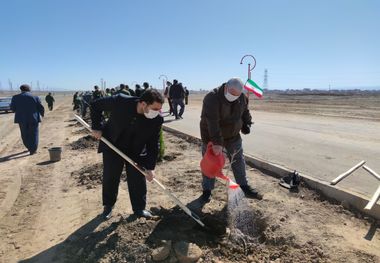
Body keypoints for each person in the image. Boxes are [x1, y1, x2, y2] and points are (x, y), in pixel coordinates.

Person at [90, 89, 164, 220]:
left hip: (136, 150)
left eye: (159, 109)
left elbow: (153, 144)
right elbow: (95, 105)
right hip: (113, 144)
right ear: (143, 104)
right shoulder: (120, 101)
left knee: (138, 179)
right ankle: (108, 206)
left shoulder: (156, 120)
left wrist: (150, 167)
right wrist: (97, 127)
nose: (157, 112)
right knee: (110, 176)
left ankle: (139, 209)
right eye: (155, 108)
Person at [199, 78, 261, 202]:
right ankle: (207, 191)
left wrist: (247, 123)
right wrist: (217, 143)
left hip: (233, 136)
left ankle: (243, 186)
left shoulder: (242, 98)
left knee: (238, 160)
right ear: (226, 87)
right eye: (232, 93)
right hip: (212, 137)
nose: (234, 97)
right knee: (211, 164)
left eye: (236, 95)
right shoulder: (212, 98)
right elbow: (212, 122)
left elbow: (245, 112)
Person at [10, 84, 45, 155]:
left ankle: (29, 147)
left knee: (24, 134)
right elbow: (40, 107)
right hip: (34, 119)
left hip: (21, 119)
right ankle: (33, 150)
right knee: (34, 134)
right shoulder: (35, 97)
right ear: (29, 89)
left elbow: (13, 109)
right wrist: (42, 115)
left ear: (21, 90)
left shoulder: (15, 97)